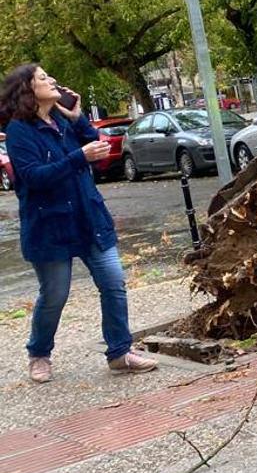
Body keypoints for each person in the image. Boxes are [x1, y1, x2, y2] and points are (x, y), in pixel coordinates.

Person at [0, 65, 157, 382]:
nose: (53, 81)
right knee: (55, 294)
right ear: (27, 91)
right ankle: (39, 353)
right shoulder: (19, 131)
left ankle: (119, 353)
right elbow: (33, 177)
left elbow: (96, 154)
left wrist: (77, 118)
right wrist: (78, 157)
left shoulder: (62, 121)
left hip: (89, 218)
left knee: (113, 283)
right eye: (43, 78)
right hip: (50, 226)